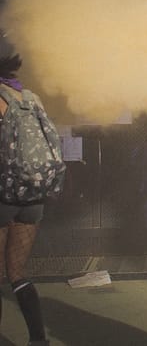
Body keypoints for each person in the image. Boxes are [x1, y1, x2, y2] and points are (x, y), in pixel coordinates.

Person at [0, 54, 49, 346]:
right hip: (32, 196)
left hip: (2, 195)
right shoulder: (30, 98)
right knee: (17, 273)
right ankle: (38, 339)